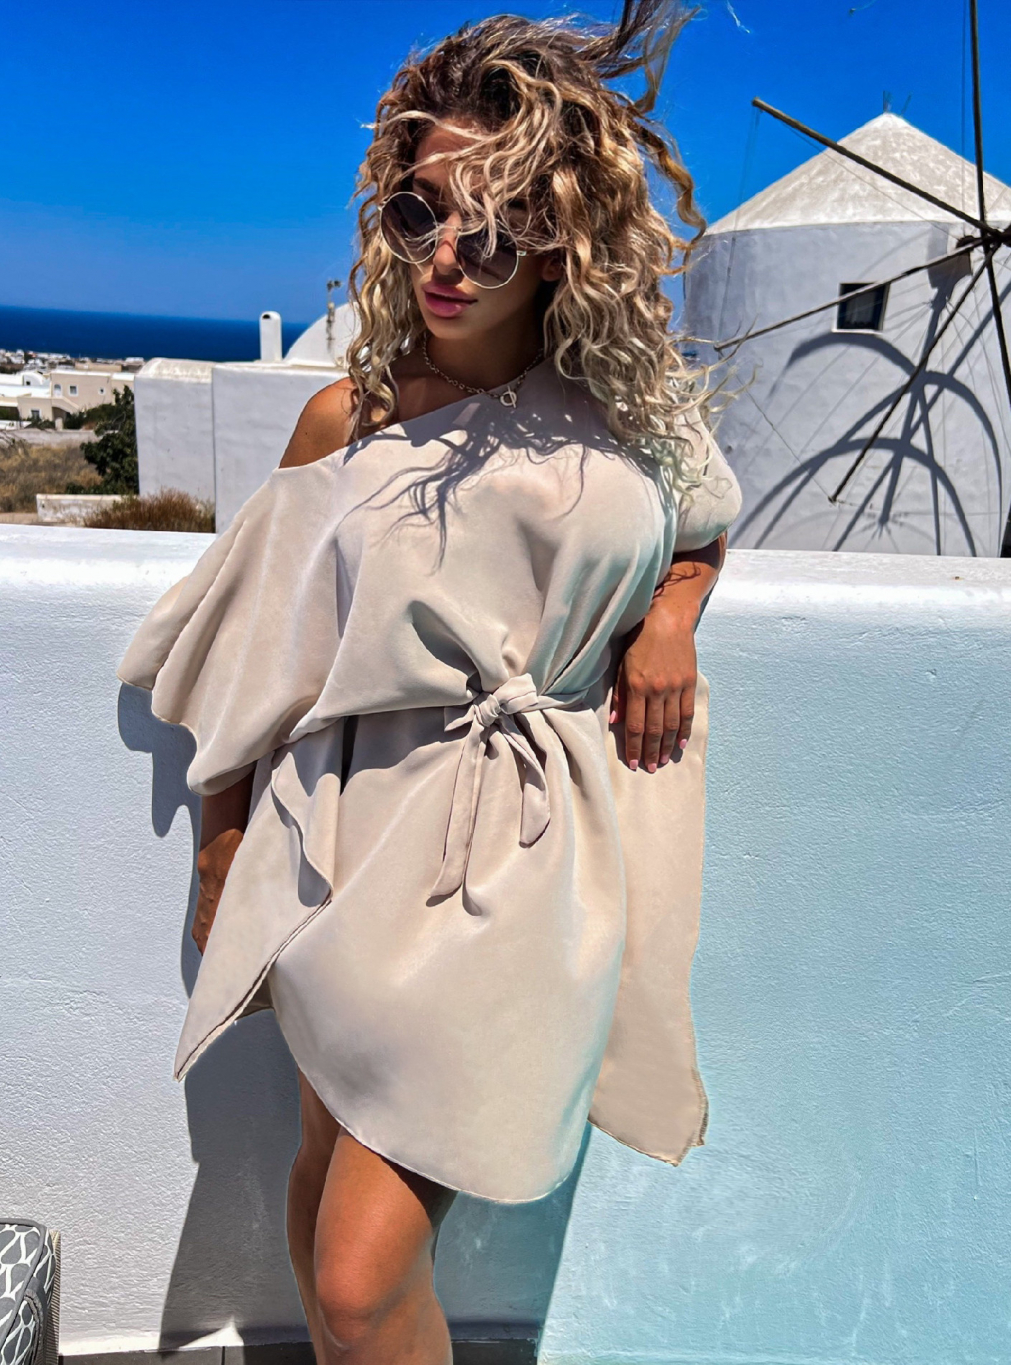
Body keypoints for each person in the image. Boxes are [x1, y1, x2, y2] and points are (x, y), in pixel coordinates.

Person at [117, 2, 742, 1361]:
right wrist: (221, 842)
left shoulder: (631, 417)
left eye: (495, 227)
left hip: (517, 862)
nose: (449, 257)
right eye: (420, 214)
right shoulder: (343, 418)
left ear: (562, 235)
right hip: (343, 839)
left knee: (359, 1275)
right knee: (316, 1168)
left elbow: (704, 524)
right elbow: (250, 643)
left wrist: (673, 616)